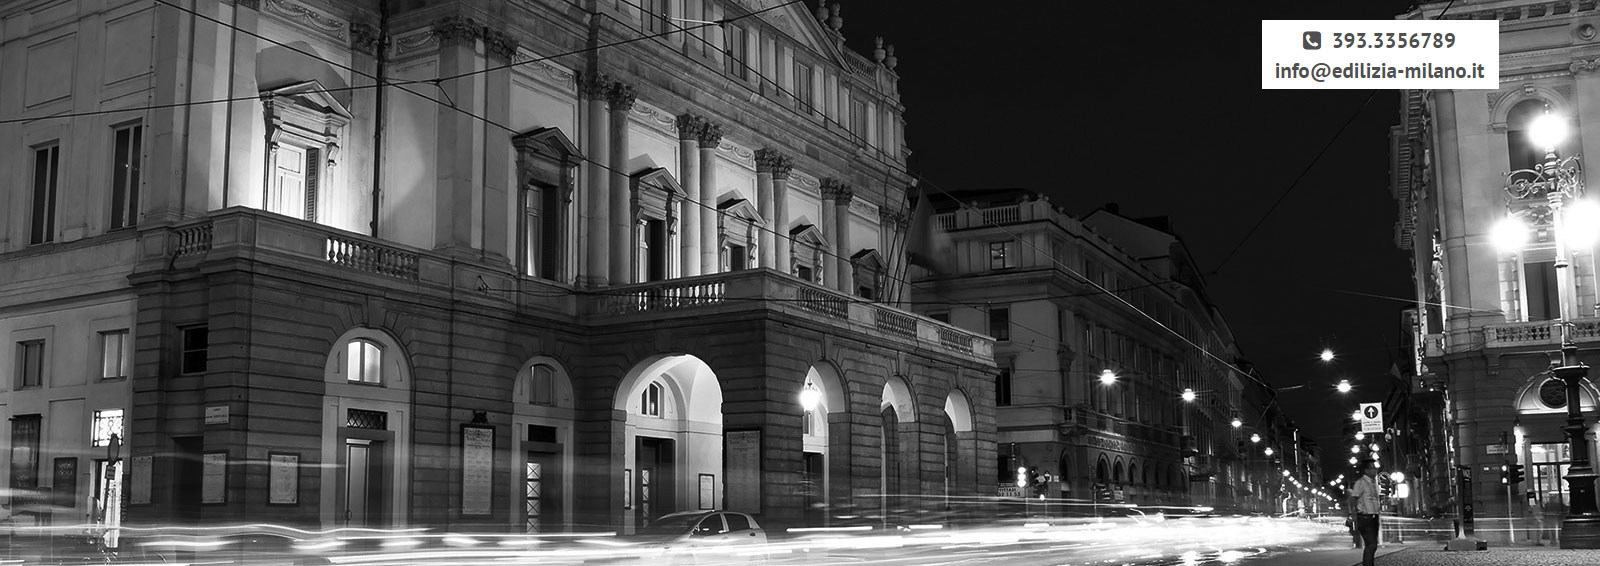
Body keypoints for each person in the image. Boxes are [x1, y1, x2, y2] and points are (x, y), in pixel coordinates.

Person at [1347, 459, 1383, 566]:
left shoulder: (1373, 483)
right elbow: (1354, 498)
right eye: (1372, 468)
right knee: (1371, 545)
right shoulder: (1361, 482)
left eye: (1375, 467)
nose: (1375, 470)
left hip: (1374, 516)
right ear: (1366, 470)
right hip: (1365, 517)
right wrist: (1352, 514)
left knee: (1372, 545)